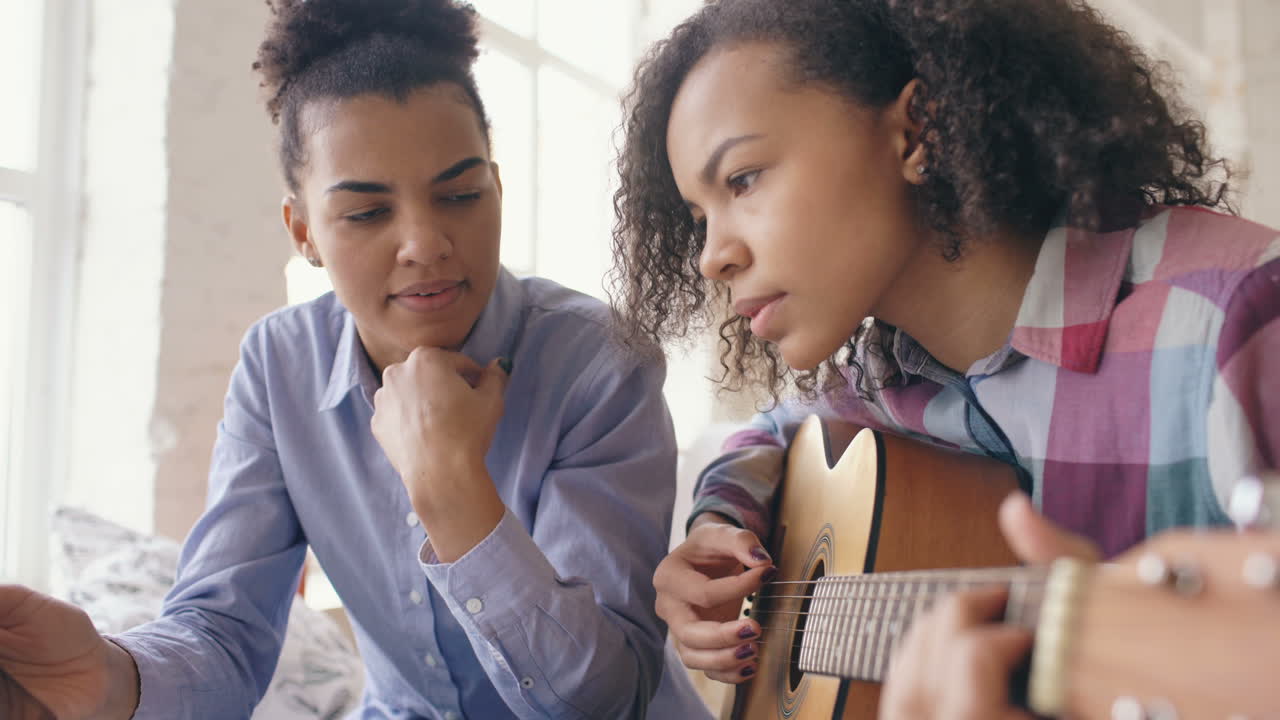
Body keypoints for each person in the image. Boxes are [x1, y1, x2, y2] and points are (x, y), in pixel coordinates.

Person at [0, 0, 711, 718]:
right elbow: (225, 633)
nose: (425, 244)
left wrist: (452, 490)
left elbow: (603, 698)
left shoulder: (598, 365)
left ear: (496, 188)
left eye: (461, 194)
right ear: (303, 231)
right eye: (368, 213)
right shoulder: (279, 370)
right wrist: (110, 677)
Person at [608, 0, 1279, 716]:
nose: (712, 257)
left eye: (742, 180)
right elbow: (769, 433)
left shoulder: (1237, 318)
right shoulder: (882, 382)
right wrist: (717, 524)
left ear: (914, 130)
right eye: (699, 217)